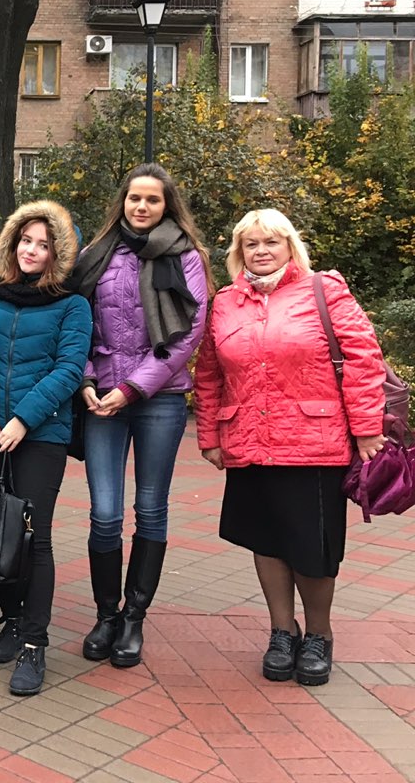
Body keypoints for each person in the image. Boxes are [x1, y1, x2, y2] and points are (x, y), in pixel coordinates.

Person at [194, 209, 386, 687]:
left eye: (271, 242)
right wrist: (209, 434)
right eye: (251, 244)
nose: (261, 251)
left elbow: (363, 358)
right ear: (239, 252)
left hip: (313, 443)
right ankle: (282, 631)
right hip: (249, 441)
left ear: (289, 246)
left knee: (312, 546)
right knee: (266, 539)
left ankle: (319, 634)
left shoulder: (324, 290)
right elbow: (209, 372)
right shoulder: (225, 302)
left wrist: (367, 429)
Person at [70, 164, 211, 669]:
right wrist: (88, 380)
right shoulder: (96, 253)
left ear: (167, 205)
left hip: (160, 398)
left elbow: (188, 334)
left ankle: (134, 617)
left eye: (153, 199)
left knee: (150, 508)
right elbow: (76, 322)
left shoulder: (186, 256)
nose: (143, 207)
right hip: (101, 398)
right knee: (105, 513)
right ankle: (106, 615)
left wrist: (133, 388)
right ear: (123, 202)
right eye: (135, 198)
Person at [0, 201, 92, 695]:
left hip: (40, 436)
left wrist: (23, 419)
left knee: (34, 538)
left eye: (43, 244)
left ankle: (35, 644)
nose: (32, 250)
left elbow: (69, 369)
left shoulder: (72, 305)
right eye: (25, 241)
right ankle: (12, 620)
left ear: (59, 253)